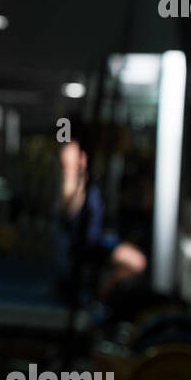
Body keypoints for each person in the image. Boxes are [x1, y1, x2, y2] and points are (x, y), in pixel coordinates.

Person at [56, 120, 147, 302]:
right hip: (88, 244)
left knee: (136, 260)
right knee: (136, 261)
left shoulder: (91, 177)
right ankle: (100, 297)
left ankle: (102, 295)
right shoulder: (74, 169)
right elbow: (68, 208)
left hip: (98, 239)